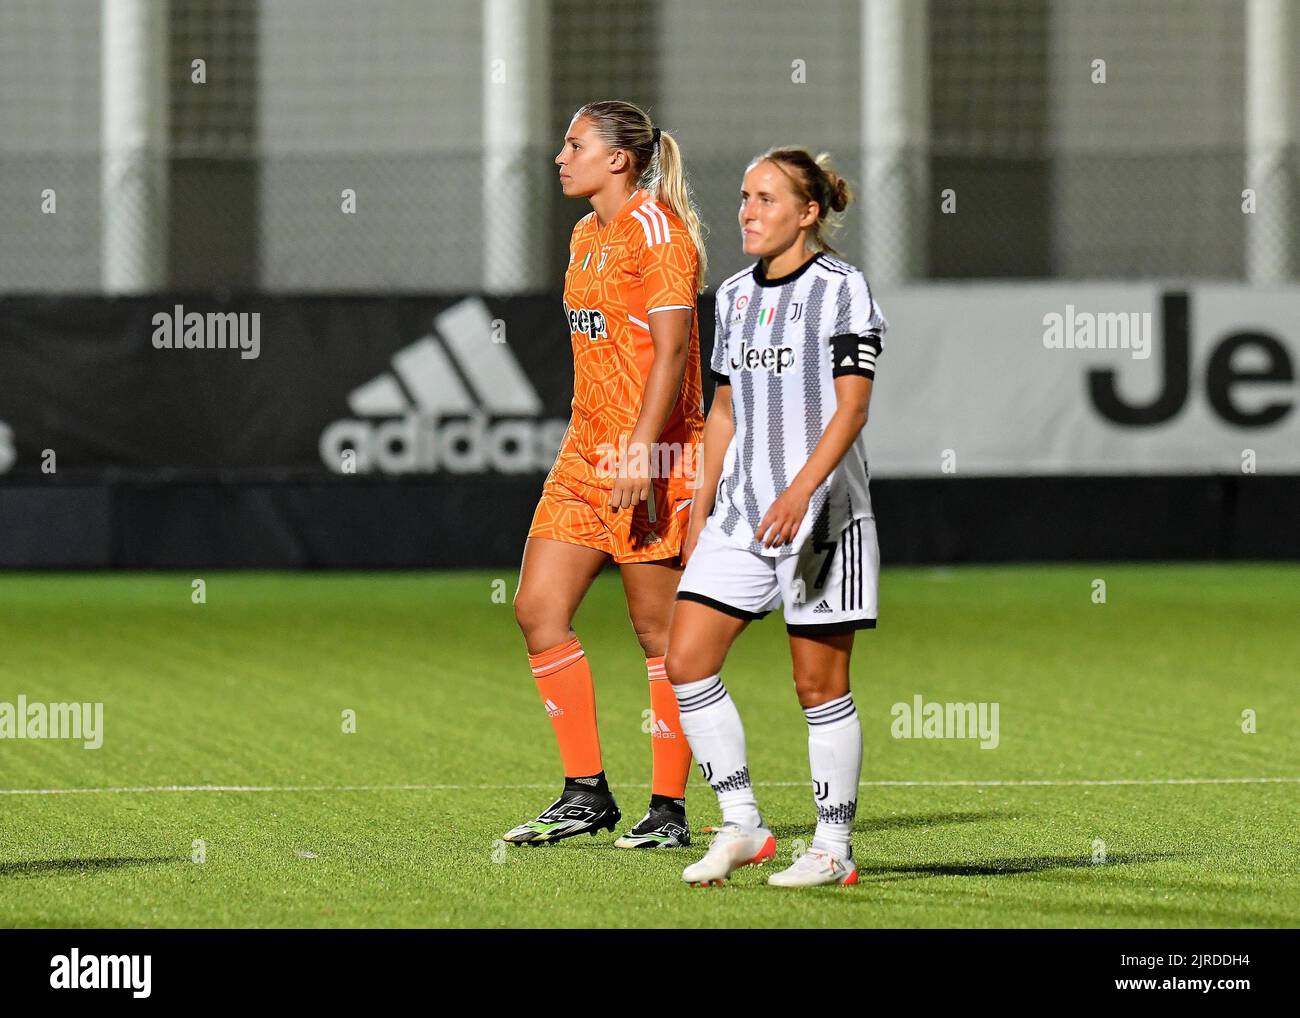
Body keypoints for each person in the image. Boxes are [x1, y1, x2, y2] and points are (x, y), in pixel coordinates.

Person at [664, 148, 887, 886]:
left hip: (823, 518)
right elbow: (722, 410)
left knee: (817, 686)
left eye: (765, 199)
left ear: (808, 212)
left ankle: (833, 849)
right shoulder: (731, 296)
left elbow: (852, 406)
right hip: (741, 515)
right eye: (744, 198)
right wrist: (700, 509)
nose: (747, 212)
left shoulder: (842, 289)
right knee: (685, 661)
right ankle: (742, 825)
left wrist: (801, 492)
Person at [504, 100, 708, 849]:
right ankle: (586, 793)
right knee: (536, 609)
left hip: (650, 458)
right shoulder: (585, 233)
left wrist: (642, 452)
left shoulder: (657, 232)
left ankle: (670, 810)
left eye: (574, 144)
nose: (560, 156)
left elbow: (675, 354)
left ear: (619, 158)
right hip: (583, 454)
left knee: (659, 635)